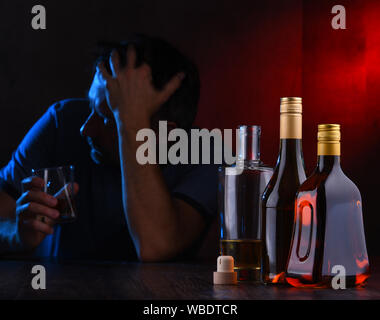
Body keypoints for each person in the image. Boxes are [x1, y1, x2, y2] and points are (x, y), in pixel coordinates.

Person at [0, 34, 218, 261]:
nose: (86, 129)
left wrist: (130, 121)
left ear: (166, 134)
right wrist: (16, 234)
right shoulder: (63, 121)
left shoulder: (205, 154)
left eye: (108, 118)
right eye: (91, 106)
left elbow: (154, 246)